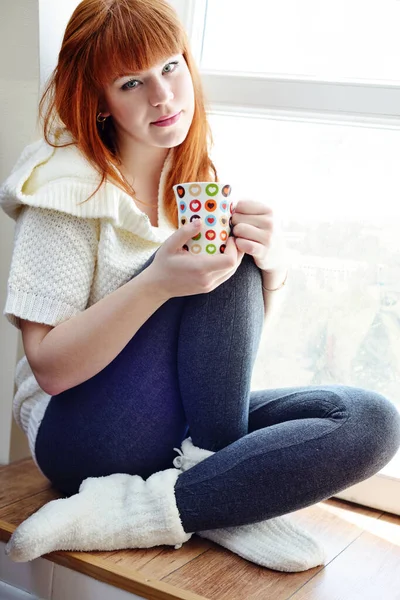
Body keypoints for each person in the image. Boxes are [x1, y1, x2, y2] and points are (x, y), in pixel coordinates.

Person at [1, 0, 399, 572]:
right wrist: (158, 282)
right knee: (223, 262)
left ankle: (158, 506)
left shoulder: (195, 180)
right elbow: (50, 369)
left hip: (180, 428)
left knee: (369, 421)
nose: (162, 96)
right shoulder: (64, 187)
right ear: (99, 100)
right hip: (80, 435)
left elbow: (221, 359)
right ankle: (222, 488)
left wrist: (273, 267)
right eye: (132, 81)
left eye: (171, 66)